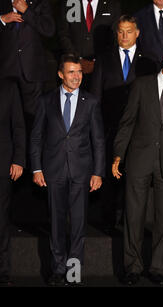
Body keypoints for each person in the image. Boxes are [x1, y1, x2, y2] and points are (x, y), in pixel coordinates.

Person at [112, 46, 163, 286]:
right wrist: (118, 154)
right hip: (139, 159)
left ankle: (158, 267)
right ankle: (132, 267)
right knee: (134, 216)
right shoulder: (141, 85)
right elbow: (127, 122)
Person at [30, 54, 105, 286]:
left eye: (80, 72)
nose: (77, 76)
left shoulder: (90, 102)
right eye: (71, 72)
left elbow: (99, 140)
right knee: (56, 223)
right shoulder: (46, 101)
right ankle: (58, 269)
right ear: (61, 74)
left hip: (82, 172)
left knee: (79, 226)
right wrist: (36, 168)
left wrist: (98, 172)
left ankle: (73, 271)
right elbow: (36, 138)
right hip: (53, 171)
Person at [90, 15, 157, 232]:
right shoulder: (104, 59)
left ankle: (136, 222)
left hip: (140, 129)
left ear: (137, 33)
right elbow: (96, 96)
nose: (124, 36)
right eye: (120, 31)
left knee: (137, 177)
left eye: (129, 31)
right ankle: (108, 221)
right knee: (111, 175)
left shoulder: (149, 60)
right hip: (111, 127)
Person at [0, 0, 55, 129]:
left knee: (33, 121)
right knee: (5, 121)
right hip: (6, 71)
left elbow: (49, 30)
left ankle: (32, 149)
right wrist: (2, 19)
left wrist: (26, 11)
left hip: (32, 70)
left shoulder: (40, 2)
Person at [58, 0, 121, 86]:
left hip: (102, 70)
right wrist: (77, 60)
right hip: (73, 69)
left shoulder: (111, 4)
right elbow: (64, 34)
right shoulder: (71, 4)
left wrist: (97, 63)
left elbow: (115, 38)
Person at [0, 79, 26, 286]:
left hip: (3, 164)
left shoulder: (8, 88)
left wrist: (18, 159)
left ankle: (2, 270)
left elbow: (18, 125)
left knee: (1, 220)